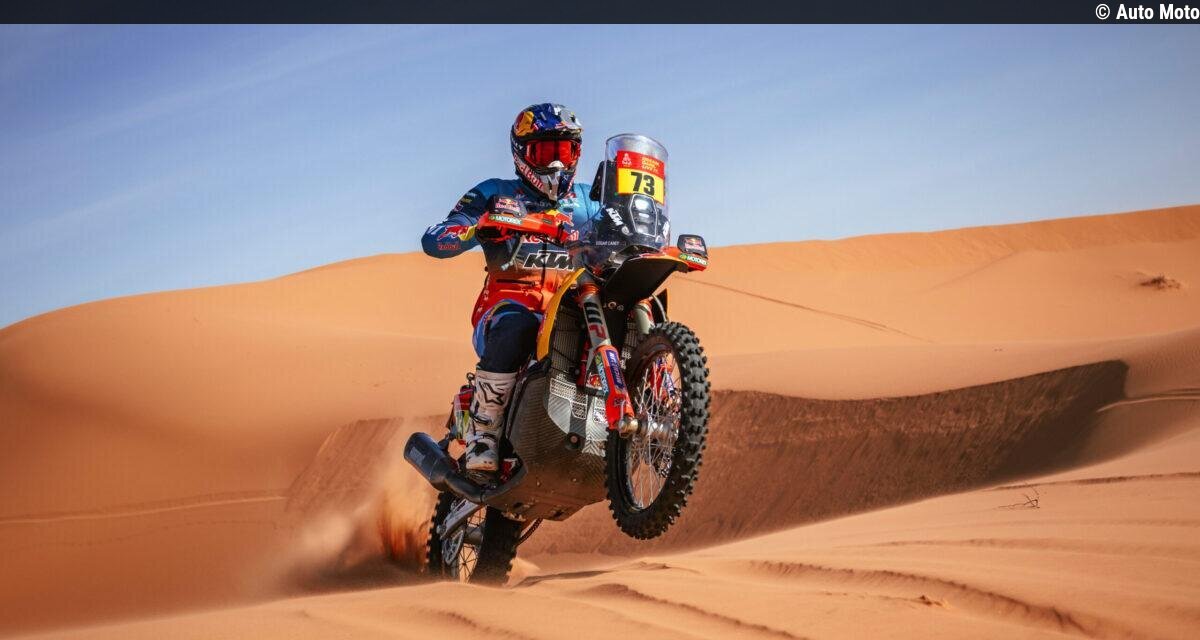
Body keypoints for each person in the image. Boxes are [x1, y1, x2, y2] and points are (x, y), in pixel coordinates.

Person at [421, 103, 600, 474]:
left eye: (564, 151)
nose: (556, 164)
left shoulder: (588, 201)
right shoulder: (495, 193)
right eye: (545, 152)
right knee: (518, 325)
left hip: (571, 310)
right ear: (522, 154)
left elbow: (621, 227)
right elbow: (436, 240)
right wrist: (475, 226)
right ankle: (483, 431)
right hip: (507, 309)